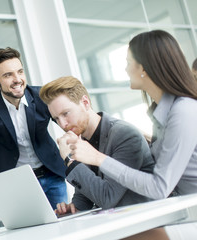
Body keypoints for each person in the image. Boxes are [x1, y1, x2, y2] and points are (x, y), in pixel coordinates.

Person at [61, 30, 197, 239]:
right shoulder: (164, 112)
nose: (125, 68)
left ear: (143, 68)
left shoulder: (183, 110)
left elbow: (159, 186)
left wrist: (97, 158)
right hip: (182, 210)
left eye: (128, 62)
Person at [0, 47, 67, 239]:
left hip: (52, 175)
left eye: (20, 71)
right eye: (8, 75)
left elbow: (70, 123)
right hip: (16, 185)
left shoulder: (41, 96)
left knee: (61, 232)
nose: (17, 79)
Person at [39, 76, 154, 215]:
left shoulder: (124, 135)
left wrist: (70, 161)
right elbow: (85, 197)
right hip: (117, 223)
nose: (62, 124)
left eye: (66, 113)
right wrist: (74, 208)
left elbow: (107, 197)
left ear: (85, 103)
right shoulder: (82, 140)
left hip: (145, 221)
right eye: (56, 118)